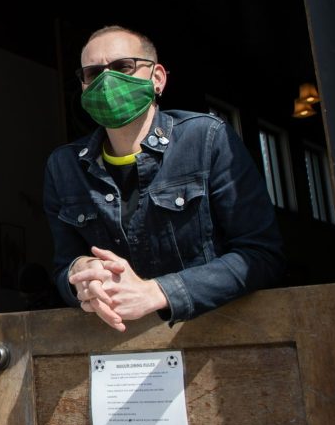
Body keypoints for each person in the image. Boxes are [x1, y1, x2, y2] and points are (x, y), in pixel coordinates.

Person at [43, 25, 284, 329]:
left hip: (213, 339)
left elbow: (261, 255)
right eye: (93, 73)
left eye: (122, 67)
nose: (106, 80)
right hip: (117, 354)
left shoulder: (206, 138)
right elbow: (64, 266)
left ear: (157, 78)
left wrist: (158, 292)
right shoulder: (64, 166)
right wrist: (81, 274)